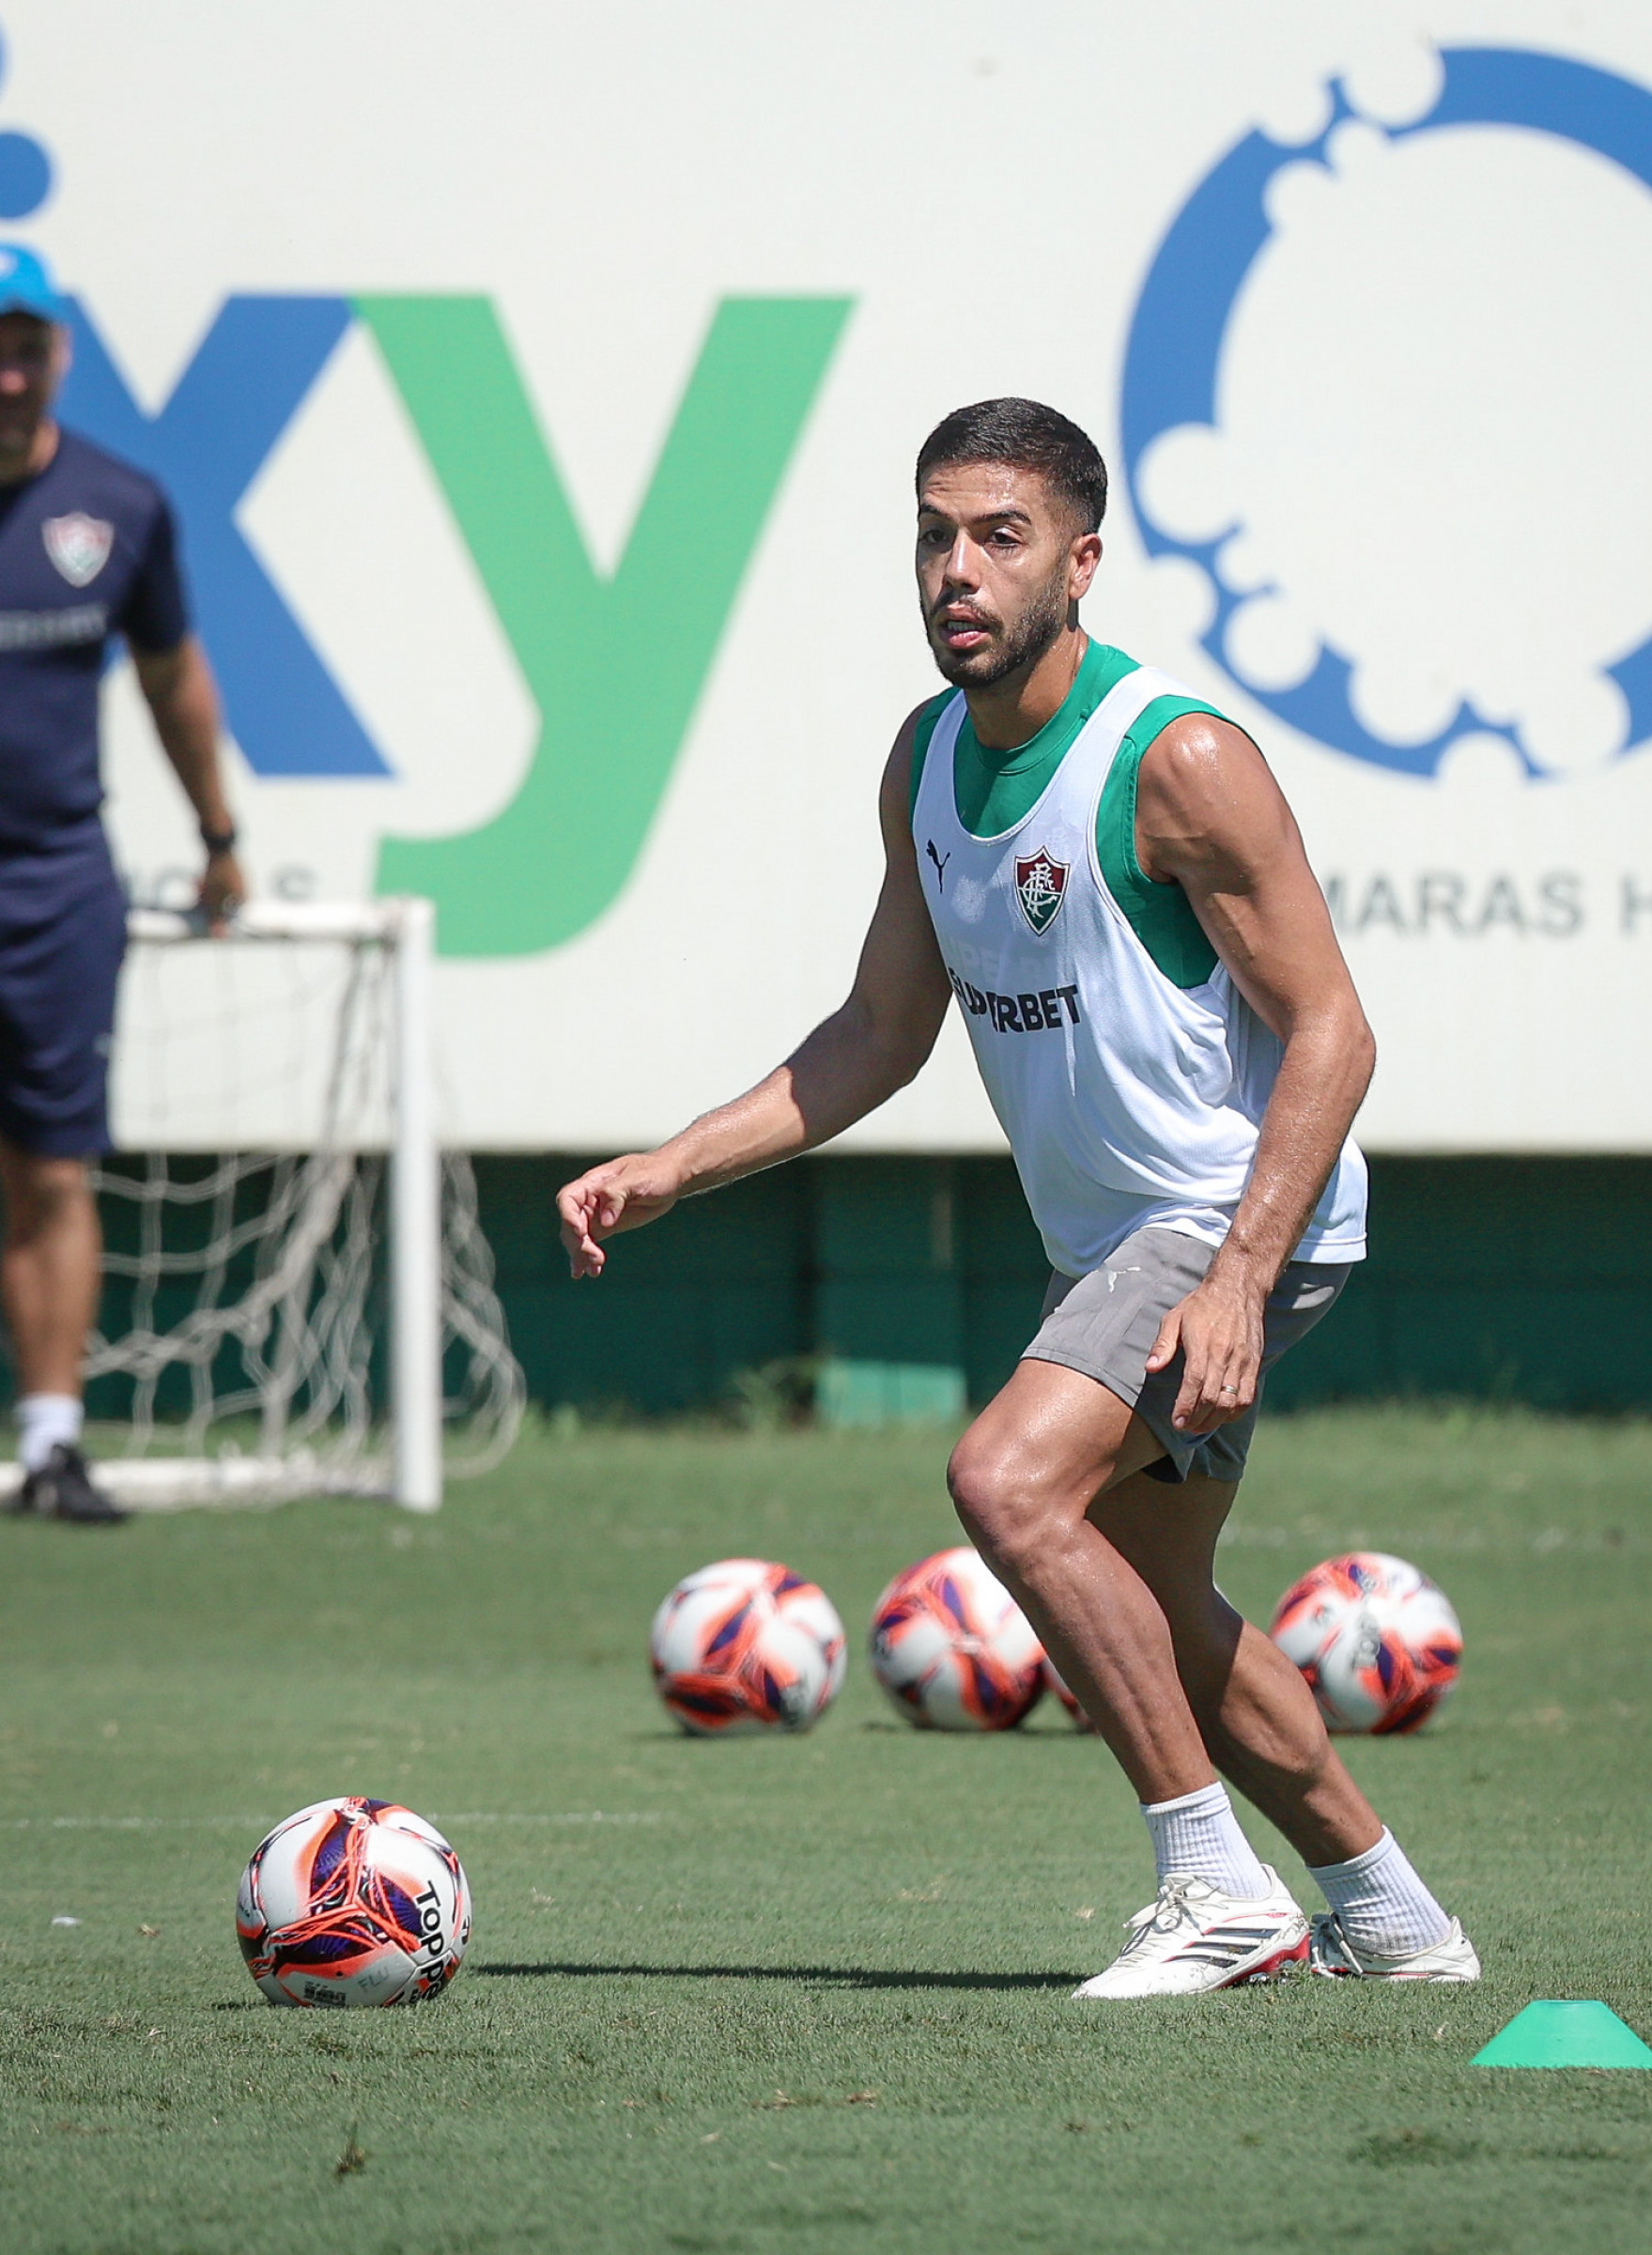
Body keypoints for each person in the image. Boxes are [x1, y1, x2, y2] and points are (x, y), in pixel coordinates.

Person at [557, 397, 1476, 1994]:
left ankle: (1217, 1887)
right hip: (1123, 1243)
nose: (957, 570)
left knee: (1005, 1481)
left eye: (1000, 536)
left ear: (1082, 561)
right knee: (1162, 1606)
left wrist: (1238, 1274)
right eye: (934, 535)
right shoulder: (925, 760)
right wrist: (672, 1166)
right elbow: (877, 1033)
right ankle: (1395, 1917)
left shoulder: (1178, 761)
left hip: (1226, 1219)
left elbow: (1336, 1029)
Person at [0, 244, 245, 1524]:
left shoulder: (118, 506)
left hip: (53, 885)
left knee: (53, 1168)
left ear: (58, 354)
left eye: (23, 346)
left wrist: (217, 831)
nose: (5, 373)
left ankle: (51, 1445)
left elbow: (171, 680)